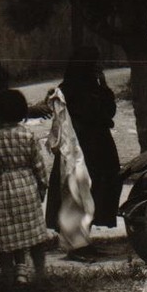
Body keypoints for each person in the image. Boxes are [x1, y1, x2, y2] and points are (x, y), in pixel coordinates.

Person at [0, 89, 52, 285]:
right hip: (26, 187)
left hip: (0, 189)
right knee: (34, 234)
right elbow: (38, 166)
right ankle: (40, 272)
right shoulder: (27, 135)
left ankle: (8, 275)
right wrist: (42, 188)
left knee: (6, 236)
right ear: (22, 113)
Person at [58, 45, 121, 231]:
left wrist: (103, 86)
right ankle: (79, 238)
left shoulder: (82, 88)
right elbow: (103, 114)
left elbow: (108, 112)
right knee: (85, 190)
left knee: (94, 189)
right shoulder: (78, 91)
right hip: (85, 146)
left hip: (94, 145)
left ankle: (85, 233)